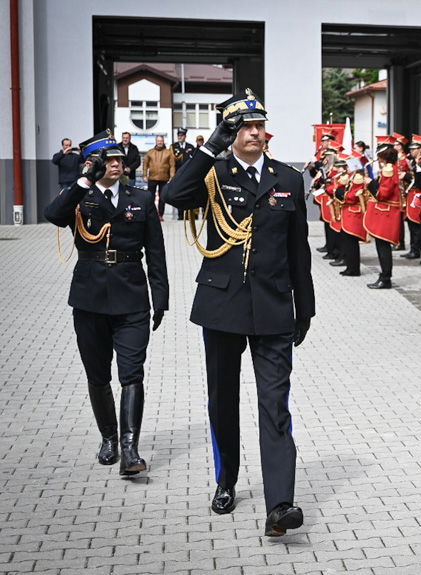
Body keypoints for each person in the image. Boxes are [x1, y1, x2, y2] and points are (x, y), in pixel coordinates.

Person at [162, 89, 315, 536]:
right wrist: (211, 146)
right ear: (229, 132)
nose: (253, 133)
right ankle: (226, 480)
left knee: (275, 406)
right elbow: (175, 195)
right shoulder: (213, 172)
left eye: (257, 126)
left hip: (272, 307)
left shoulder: (287, 177)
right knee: (222, 400)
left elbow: (298, 251)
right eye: (242, 127)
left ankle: (280, 505)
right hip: (223, 305)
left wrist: (303, 309)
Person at [44, 130, 168, 476]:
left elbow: (155, 252)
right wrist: (84, 180)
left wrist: (161, 297)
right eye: (107, 160)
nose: (116, 164)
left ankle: (130, 449)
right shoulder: (79, 197)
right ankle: (109, 438)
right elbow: (53, 215)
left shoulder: (140, 199)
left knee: (132, 373)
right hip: (90, 297)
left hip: (131, 296)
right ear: (94, 163)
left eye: (118, 159)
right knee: (98, 374)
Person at [363, 137, 404, 289]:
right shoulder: (390, 168)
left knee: (383, 247)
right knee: (382, 246)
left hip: (386, 213)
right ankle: (384, 276)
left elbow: (383, 194)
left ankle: (385, 278)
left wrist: (370, 183)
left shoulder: (388, 169)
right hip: (385, 213)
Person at [143, 135, 176, 220]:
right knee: (150, 197)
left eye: (161, 141)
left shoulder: (168, 153)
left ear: (163, 141)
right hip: (152, 178)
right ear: (156, 141)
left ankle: (160, 215)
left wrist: (172, 176)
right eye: (158, 141)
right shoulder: (150, 152)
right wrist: (144, 175)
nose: (160, 142)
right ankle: (151, 214)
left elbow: (172, 166)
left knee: (162, 198)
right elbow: (145, 164)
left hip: (164, 178)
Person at [171, 128, 196, 220]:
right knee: (179, 194)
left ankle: (189, 215)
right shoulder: (173, 147)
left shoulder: (190, 147)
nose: (179, 137)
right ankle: (180, 215)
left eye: (181, 136)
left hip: (188, 174)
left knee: (188, 194)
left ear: (185, 136)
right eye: (178, 136)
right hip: (178, 174)